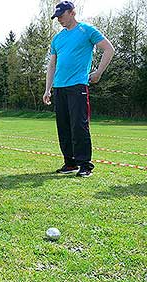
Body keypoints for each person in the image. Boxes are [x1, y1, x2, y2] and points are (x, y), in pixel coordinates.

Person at [43, 1, 114, 178]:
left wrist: (98, 72)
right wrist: (47, 89)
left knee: (79, 126)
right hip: (59, 87)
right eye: (57, 16)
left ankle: (85, 166)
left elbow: (109, 49)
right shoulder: (57, 38)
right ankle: (70, 163)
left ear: (72, 12)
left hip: (77, 86)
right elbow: (52, 65)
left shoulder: (86, 31)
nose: (59, 19)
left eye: (62, 15)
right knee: (64, 127)